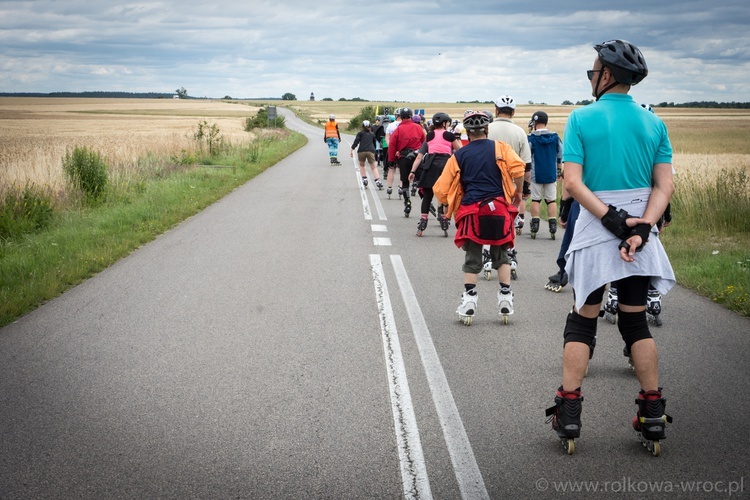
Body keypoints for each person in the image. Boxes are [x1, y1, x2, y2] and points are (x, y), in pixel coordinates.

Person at [545, 40, 675, 456]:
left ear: (607, 75)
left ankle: (568, 412)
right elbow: (664, 185)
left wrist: (610, 219)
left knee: (583, 317)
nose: (591, 78)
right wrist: (642, 227)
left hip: (598, 225)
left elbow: (571, 183)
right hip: (642, 229)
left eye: (592, 71)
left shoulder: (581, 118)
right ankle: (652, 411)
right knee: (634, 321)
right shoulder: (654, 123)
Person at [433, 110, 525, 325]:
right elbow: (519, 169)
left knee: (473, 258)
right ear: (486, 129)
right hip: (499, 209)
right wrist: (518, 193)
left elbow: (442, 189)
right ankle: (505, 297)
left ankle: (469, 302)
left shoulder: (459, 155)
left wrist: (449, 201)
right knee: (502, 254)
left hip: (471, 211)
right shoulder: (501, 148)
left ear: (468, 132)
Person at [408, 112, 463, 236]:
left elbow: (419, 157)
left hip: (430, 166)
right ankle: (444, 219)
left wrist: (412, 171)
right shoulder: (449, 135)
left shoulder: (430, 135)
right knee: (445, 195)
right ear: (444, 123)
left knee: (427, 196)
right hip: (445, 166)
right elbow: (460, 151)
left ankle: (423, 222)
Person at [488, 95, 532, 235]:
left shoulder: (487, 129)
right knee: (509, 222)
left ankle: (488, 250)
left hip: (488, 181)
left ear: (496, 110)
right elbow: (527, 164)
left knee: (488, 220)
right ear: (513, 112)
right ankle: (509, 250)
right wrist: (525, 187)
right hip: (511, 184)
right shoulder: (520, 132)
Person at [527, 110, 563, 239]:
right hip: (551, 173)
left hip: (536, 174)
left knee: (536, 199)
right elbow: (560, 154)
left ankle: (535, 224)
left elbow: (527, 156)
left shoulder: (531, 138)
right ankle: (552, 225)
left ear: (535, 122)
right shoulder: (555, 137)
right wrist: (559, 170)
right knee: (551, 199)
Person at [388, 108, 426, 217]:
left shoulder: (398, 129)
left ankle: (407, 202)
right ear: (410, 116)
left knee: (405, 182)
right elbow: (424, 141)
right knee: (420, 180)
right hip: (416, 156)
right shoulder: (418, 127)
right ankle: (425, 200)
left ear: (400, 116)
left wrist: (391, 160)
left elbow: (392, 145)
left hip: (403, 157)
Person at [350, 120, 383, 189]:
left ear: (362, 126)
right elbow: (374, 144)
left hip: (361, 151)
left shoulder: (360, 134)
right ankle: (377, 181)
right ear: (370, 126)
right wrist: (375, 152)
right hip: (370, 151)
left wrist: (352, 149)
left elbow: (356, 142)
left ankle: (364, 179)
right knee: (373, 167)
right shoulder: (372, 134)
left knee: (362, 165)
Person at [384, 110, 402, 197]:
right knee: (402, 170)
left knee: (391, 169)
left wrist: (390, 147)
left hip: (392, 149)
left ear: (396, 116)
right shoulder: (404, 125)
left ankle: (389, 187)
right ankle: (400, 187)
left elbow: (387, 137)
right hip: (402, 150)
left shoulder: (390, 125)